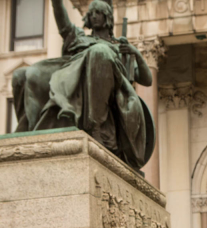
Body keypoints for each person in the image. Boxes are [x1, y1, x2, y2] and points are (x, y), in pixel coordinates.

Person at [11, 0, 153, 170]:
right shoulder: (77, 36)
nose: (93, 16)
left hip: (102, 90)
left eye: (98, 12)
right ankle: (25, 132)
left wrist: (135, 53)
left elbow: (147, 79)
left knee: (99, 52)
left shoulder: (117, 47)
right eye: (91, 13)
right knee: (20, 75)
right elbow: (62, 21)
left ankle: (96, 127)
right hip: (69, 75)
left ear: (107, 17)